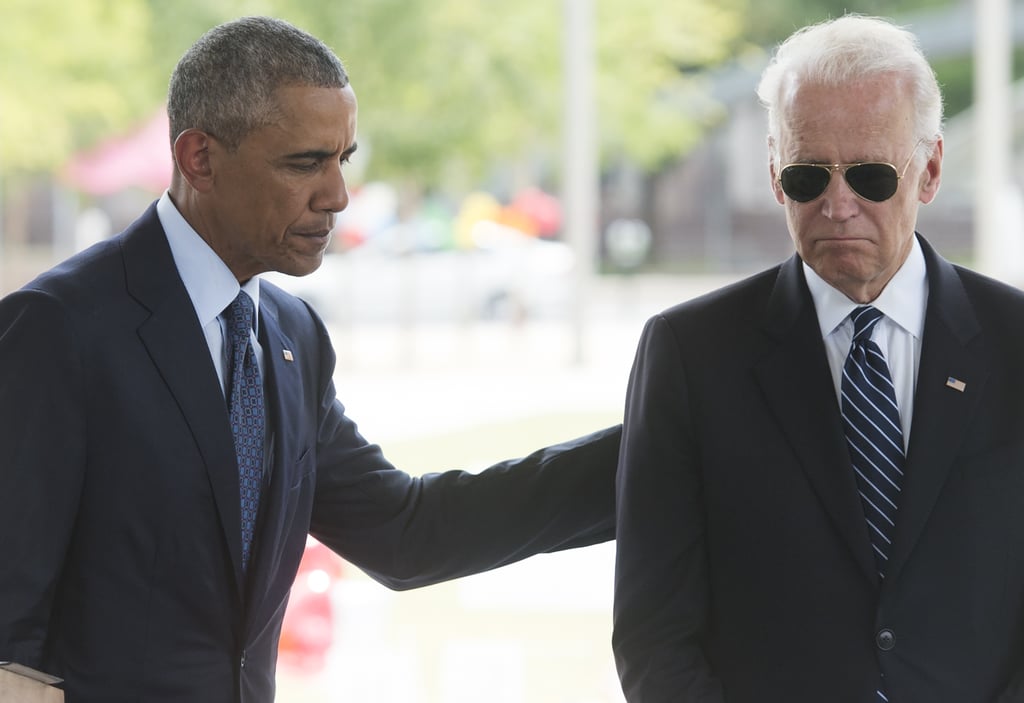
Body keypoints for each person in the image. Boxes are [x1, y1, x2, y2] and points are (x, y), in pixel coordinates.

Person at [0, 16, 621, 703]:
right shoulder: (58, 328)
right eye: (304, 163)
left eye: (342, 160)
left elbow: (403, 532)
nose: (337, 196)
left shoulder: (292, 333)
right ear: (199, 157)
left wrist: (659, 448)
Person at [613, 14, 1024, 703]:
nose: (838, 205)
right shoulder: (690, 354)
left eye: (869, 174)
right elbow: (655, 634)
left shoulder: (1017, 343)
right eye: (808, 176)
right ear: (776, 176)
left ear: (929, 169)